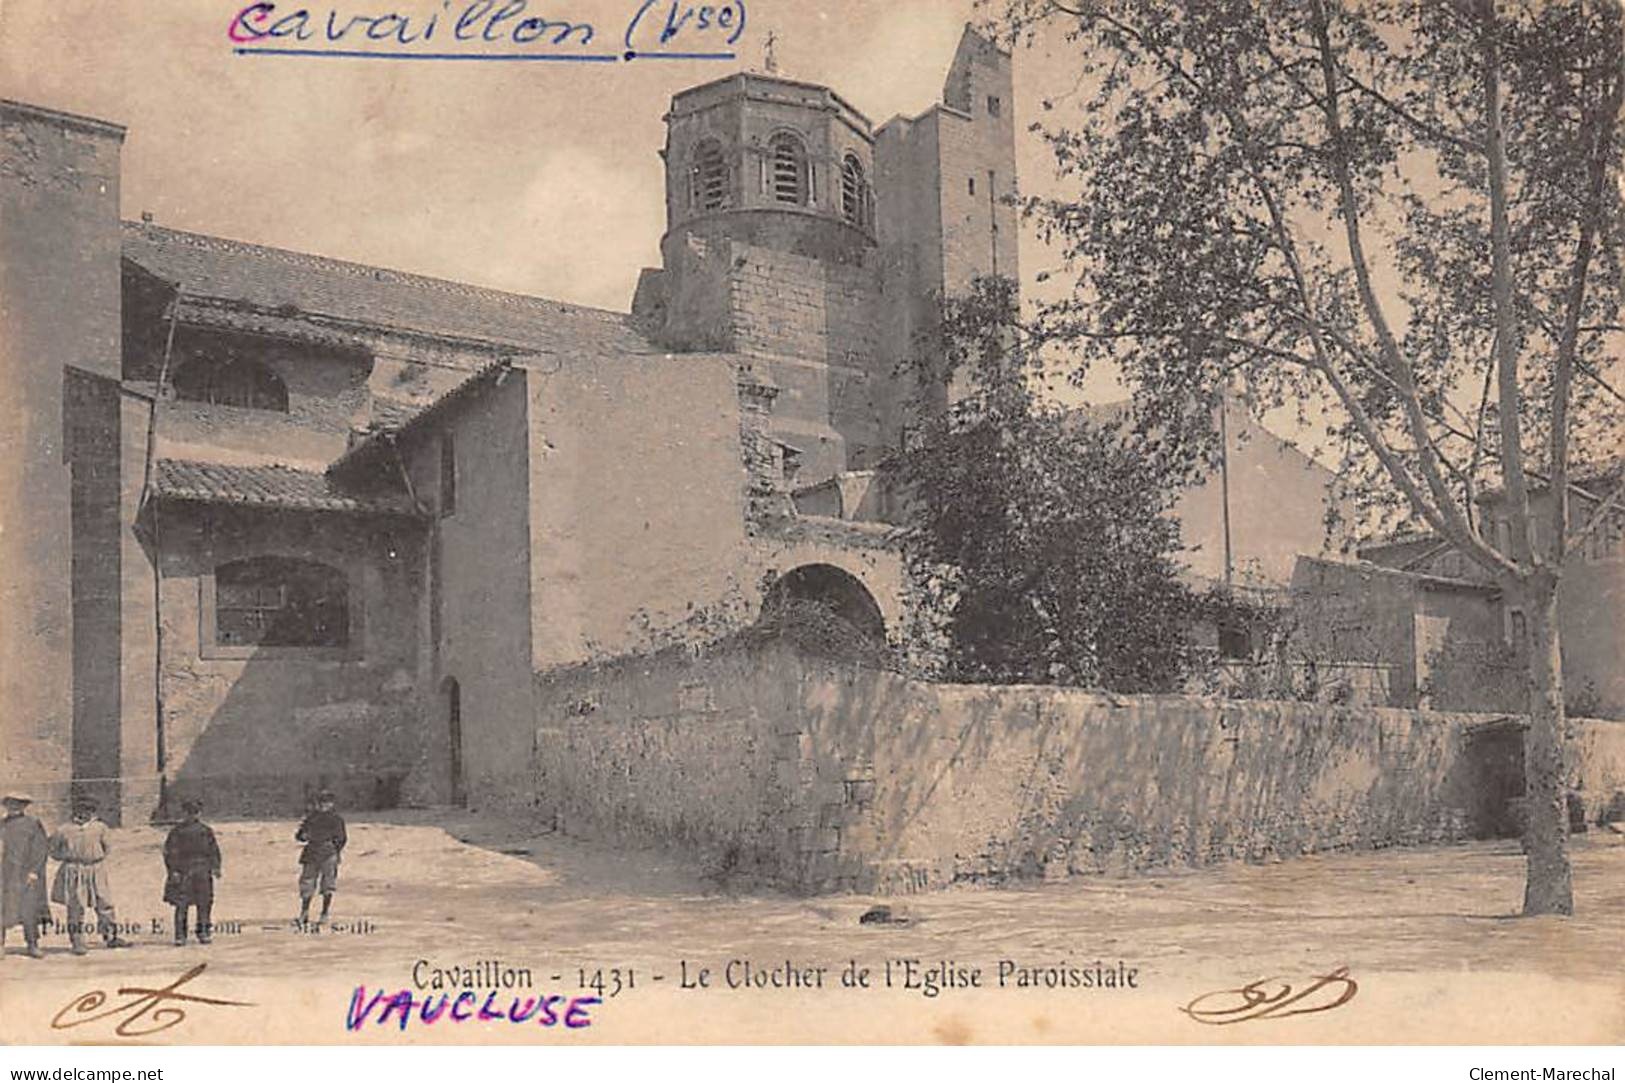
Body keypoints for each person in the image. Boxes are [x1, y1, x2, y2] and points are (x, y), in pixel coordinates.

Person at [50, 796, 131, 954]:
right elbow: (53, 850)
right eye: (81, 810)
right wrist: (70, 859)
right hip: (73, 870)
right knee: (75, 906)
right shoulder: (63, 830)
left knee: (104, 902)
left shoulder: (100, 828)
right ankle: (77, 942)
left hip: (95, 868)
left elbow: (107, 848)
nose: (84, 814)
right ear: (75, 811)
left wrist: (94, 859)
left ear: (93, 812)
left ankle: (110, 936)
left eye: (89, 810)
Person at [163, 798, 221, 945]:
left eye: (195, 813)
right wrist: (173, 870)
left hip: (202, 870)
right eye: (189, 813)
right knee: (181, 904)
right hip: (184, 871)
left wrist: (216, 867)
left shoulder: (206, 831)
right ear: (184, 813)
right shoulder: (177, 832)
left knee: (204, 903)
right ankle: (180, 935)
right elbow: (170, 852)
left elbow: (213, 850)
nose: (193, 816)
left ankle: (204, 932)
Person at [1, 792, 50, 960]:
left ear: (24, 807)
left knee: (29, 908)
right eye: (11, 804)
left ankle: (32, 944)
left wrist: (34, 871)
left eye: (19, 804)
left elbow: (41, 849)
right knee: (2, 907)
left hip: (26, 873)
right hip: (5, 874)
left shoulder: (33, 824)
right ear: (6, 806)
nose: (14, 807)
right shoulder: (2, 824)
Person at [295, 790, 346, 926]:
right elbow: (299, 835)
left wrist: (335, 850)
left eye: (327, 802)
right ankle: (304, 912)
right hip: (311, 852)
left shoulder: (336, 819)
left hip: (328, 853)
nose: (324, 805)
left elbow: (342, 838)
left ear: (332, 804)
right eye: (321, 802)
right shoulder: (311, 818)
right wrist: (303, 836)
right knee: (307, 883)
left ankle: (324, 913)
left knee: (328, 885)